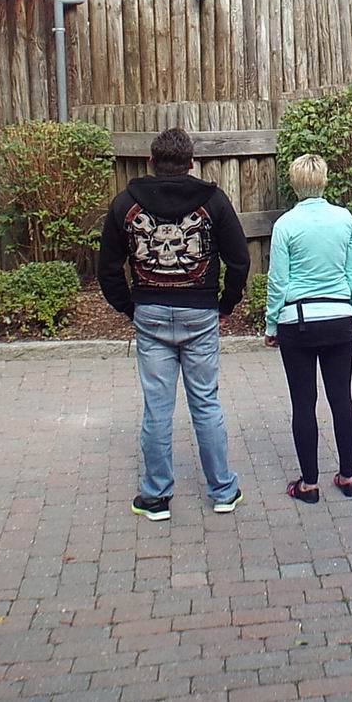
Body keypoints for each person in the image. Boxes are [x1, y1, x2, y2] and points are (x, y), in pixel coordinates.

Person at [98, 128, 251, 520]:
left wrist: (130, 307)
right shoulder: (214, 201)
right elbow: (239, 260)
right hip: (199, 313)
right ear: (191, 163)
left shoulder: (125, 203)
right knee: (206, 403)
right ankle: (223, 491)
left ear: (151, 162)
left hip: (150, 313)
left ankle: (155, 496)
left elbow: (108, 268)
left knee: (157, 408)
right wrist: (225, 304)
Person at [264, 154, 352, 498]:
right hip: (338, 318)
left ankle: (309, 484)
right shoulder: (345, 219)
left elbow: (278, 280)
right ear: (324, 181)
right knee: (341, 398)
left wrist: (272, 324)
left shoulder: (286, 225)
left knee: (304, 403)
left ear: (294, 184)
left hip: (298, 321)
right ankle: (348, 477)